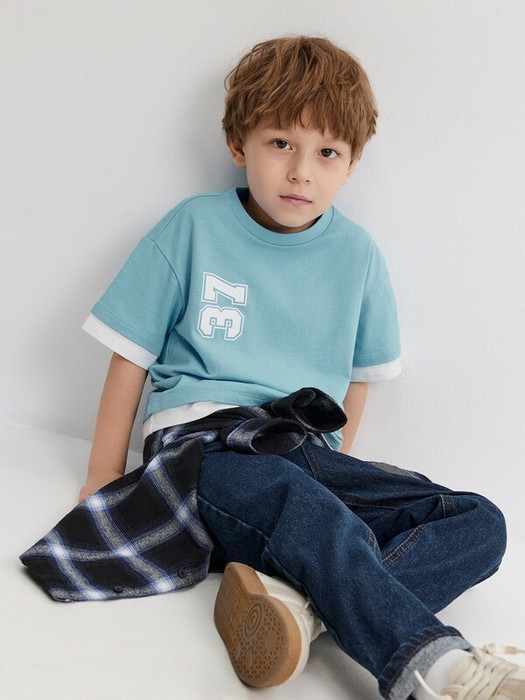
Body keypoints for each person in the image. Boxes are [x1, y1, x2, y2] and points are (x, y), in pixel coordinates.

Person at [20, 37, 524, 700]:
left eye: (326, 153)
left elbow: (357, 380)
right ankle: (440, 670)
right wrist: (102, 474)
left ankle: (302, 615)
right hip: (204, 449)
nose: (301, 172)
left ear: (351, 163)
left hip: (301, 448)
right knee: (307, 510)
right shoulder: (193, 226)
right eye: (281, 143)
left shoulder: (357, 257)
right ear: (239, 144)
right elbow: (129, 355)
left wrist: (340, 462)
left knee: (479, 521)